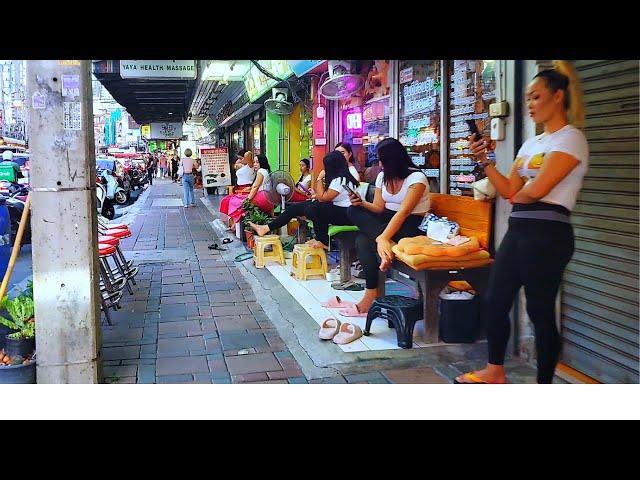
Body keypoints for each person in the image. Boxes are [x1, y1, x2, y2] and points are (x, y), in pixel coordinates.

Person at [455, 61, 588, 384]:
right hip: (518, 230)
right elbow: (509, 190)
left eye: (536, 97)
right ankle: (495, 370)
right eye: (527, 97)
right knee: (495, 300)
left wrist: (523, 192)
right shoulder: (531, 145)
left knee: (540, 313)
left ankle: (543, 386)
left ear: (558, 97)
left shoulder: (571, 139)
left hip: (548, 234)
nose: (529, 104)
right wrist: (484, 162)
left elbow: (536, 191)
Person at [344, 137, 430, 317]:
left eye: (382, 161)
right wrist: (361, 203)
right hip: (386, 220)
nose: (380, 166)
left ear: (394, 161)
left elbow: (403, 213)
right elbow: (378, 208)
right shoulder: (383, 176)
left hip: (411, 223)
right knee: (353, 210)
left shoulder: (417, 178)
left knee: (362, 240)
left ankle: (370, 293)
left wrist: (382, 238)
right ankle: (373, 284)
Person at [249, 151, 358, 249]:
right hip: (337, 209)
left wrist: (319, 178)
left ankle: (323, 241)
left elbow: (323, 198)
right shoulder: (339, 178)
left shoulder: (341, 180)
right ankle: (265, 228)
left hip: (346, 214)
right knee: (295, 208)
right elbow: (322, 197)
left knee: (316, 208)